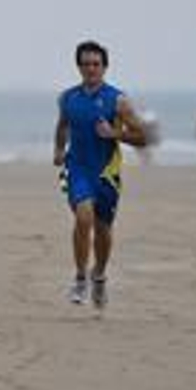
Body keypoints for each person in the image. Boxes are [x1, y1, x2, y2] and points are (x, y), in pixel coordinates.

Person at [53, 40, 146, 310]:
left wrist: (114, 133)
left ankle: (100, 274)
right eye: (86, 64)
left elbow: (142, 137)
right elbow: (62, 126)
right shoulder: (67, 98)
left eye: (96, 64)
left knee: (103, 229)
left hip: (107, 173)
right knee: (84, 217)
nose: (91, 69)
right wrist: (59, 149)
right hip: (77, 168)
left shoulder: (118, 100)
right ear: (79, 67)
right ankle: (80, 278)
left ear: (105, 67)